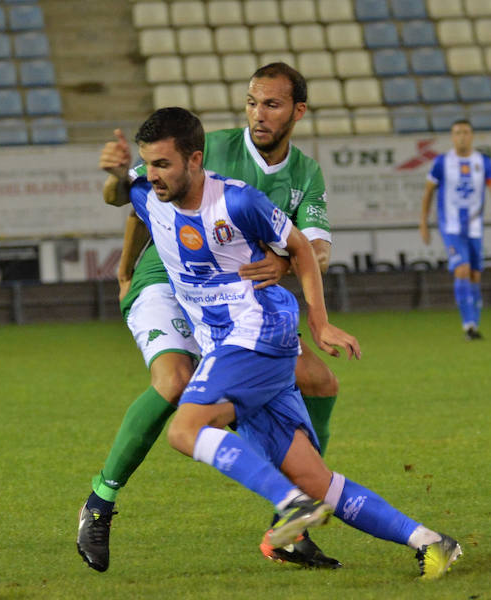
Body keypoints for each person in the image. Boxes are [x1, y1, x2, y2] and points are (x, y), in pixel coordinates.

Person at [84, 106, 462, 580]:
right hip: (240, 342)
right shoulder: (151, 191)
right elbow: (121, 193)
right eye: (148, 164)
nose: (153, 175)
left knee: (185, 430)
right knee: (316, 479)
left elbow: (302, 247)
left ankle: (290, 505)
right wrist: (119, 175)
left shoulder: (238, 202)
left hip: (254, 334)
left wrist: (320, 325)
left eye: (163, 164)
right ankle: (431, 542)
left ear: (195, 161)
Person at [80, 63, 342, 571]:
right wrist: (128, 265)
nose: (258, 114)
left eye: (271, 105)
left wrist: (288, 261)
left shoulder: (306, 173)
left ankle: (291, 521)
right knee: (176, 380)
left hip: (233, 301)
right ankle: (99, 502)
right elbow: (128, 196)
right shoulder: (208, 146)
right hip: (166, 278)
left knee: (318, 380)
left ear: (298, 112)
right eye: (251, 102)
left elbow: (319, 252)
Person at [419, 119, 491, 340]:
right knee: (462, 270)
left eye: (466, 132)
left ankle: (474, 325)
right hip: (450, 227)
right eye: (457, 133)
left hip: (475, 228)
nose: (462, 136)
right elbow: (428, 192)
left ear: (472, 136)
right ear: (452, 137)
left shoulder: (483, 162)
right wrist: (423, 221)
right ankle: (467, 324)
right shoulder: (442, 162)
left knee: (476, 275)